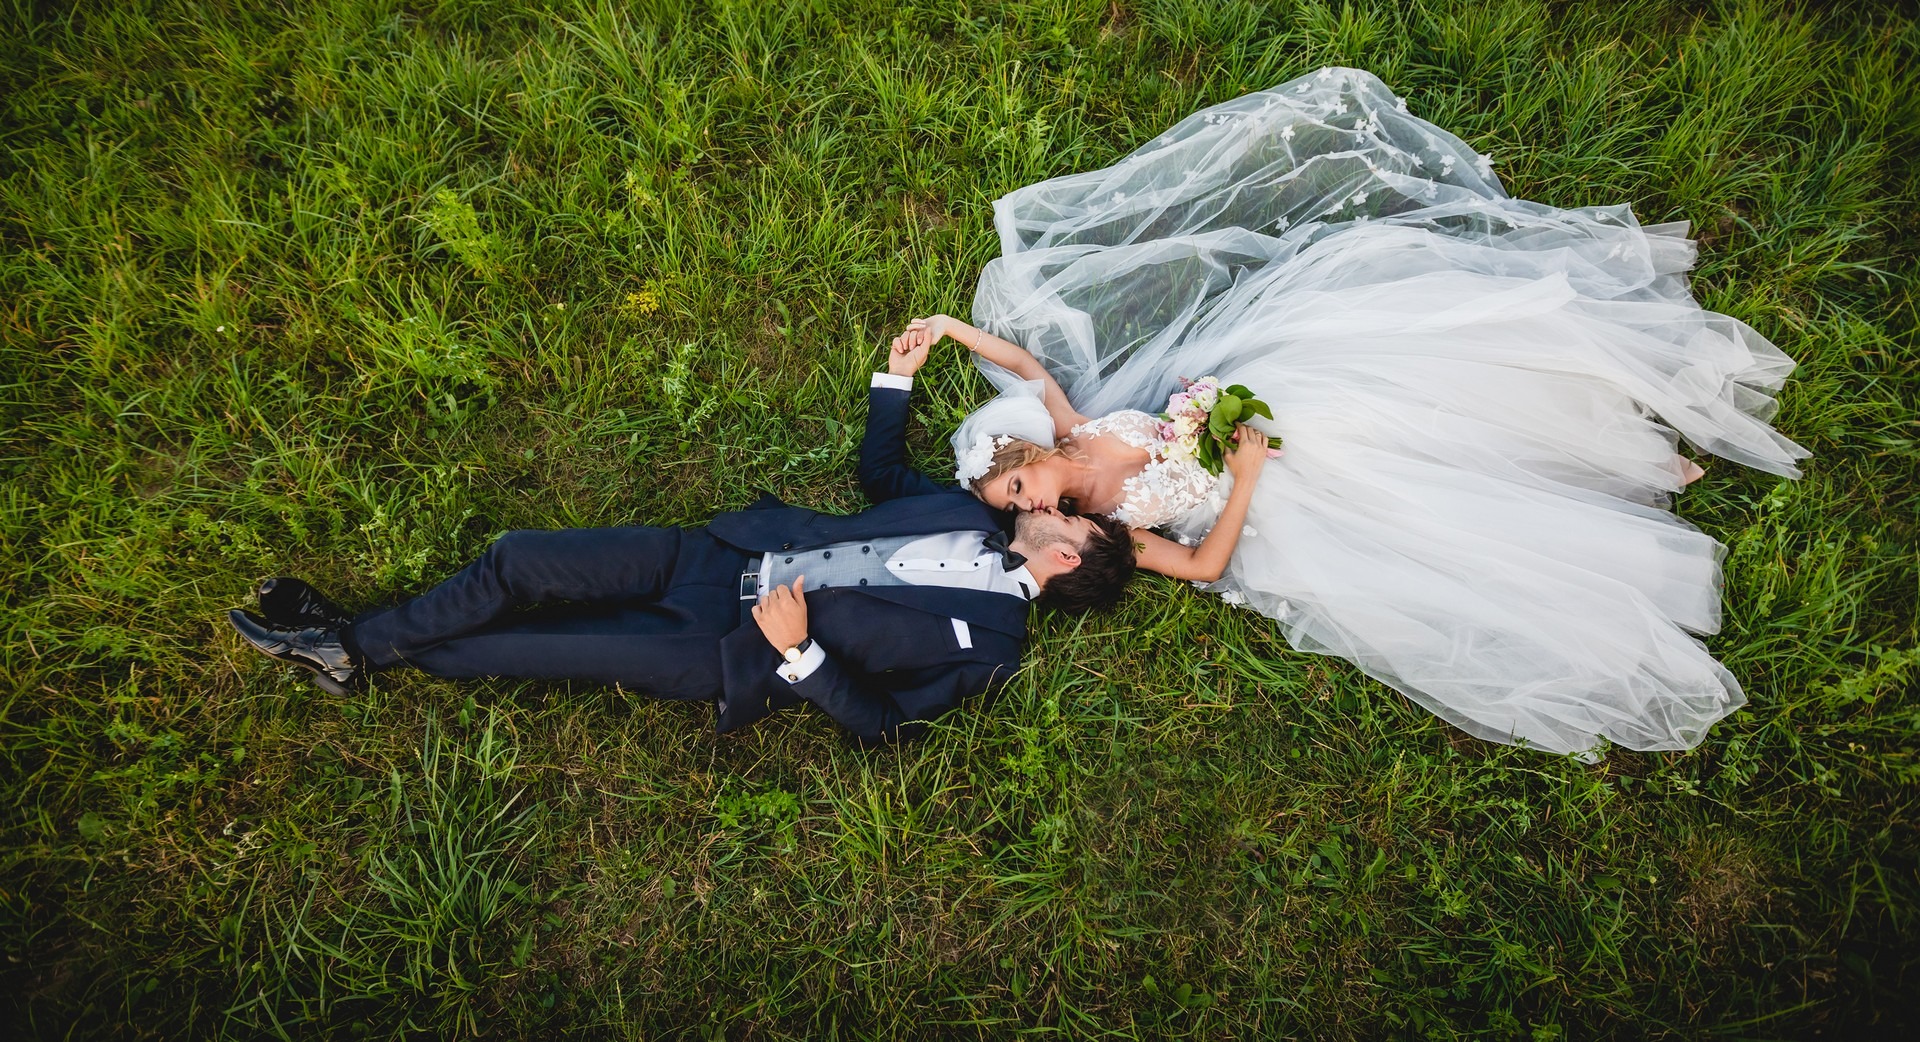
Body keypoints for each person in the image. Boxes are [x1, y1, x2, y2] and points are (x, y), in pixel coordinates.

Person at [911, 67, 1808, 760]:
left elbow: (1026, 360)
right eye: (1020, 509)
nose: (1030, 504)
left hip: (1267, 402)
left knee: (1437, 388)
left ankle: (1623, 435)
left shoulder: (1076, 423)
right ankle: (1632, 478)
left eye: (1016, 486)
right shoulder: (1106, 527)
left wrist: (951, 329)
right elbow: (1200, 561)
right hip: (1275, 480)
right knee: (1432, 488)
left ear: (1021, 455)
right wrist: (1247, 475)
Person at [226, 339, 1137, 745]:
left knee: (523, 646)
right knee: (519, 559)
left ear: (1066, 560)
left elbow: (887, 726)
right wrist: (891, 384)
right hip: (715, 554)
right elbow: (880, 484)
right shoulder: (969, 511)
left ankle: (345, 646)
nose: (1061, 501)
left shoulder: (996, 652)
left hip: (723, 648)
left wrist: (804, 655)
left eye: (1074, 519)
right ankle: (350, 646)